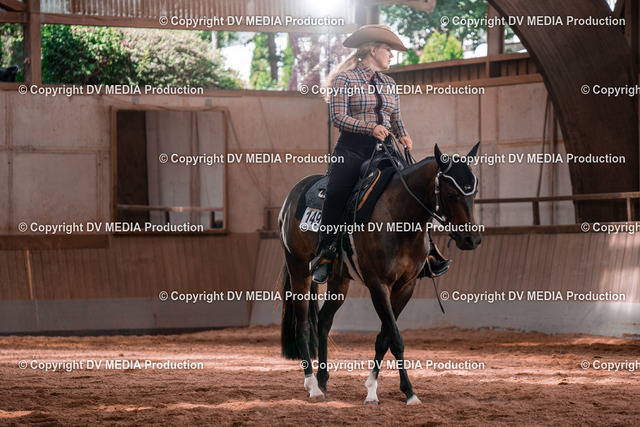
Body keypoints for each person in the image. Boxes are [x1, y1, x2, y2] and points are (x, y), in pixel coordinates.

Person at [309, 24, 451, 284]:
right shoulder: (345, 80)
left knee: (414, 190)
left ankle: (428, 252)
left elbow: (396, 118)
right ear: (372, 50)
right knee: (337, 193)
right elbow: (338, 117)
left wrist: (403, 134)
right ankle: (325, 254)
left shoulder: (390, 83)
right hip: (352, 148)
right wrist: (369, 127)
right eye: (388, 49)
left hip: (385, 148)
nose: (391, 55)